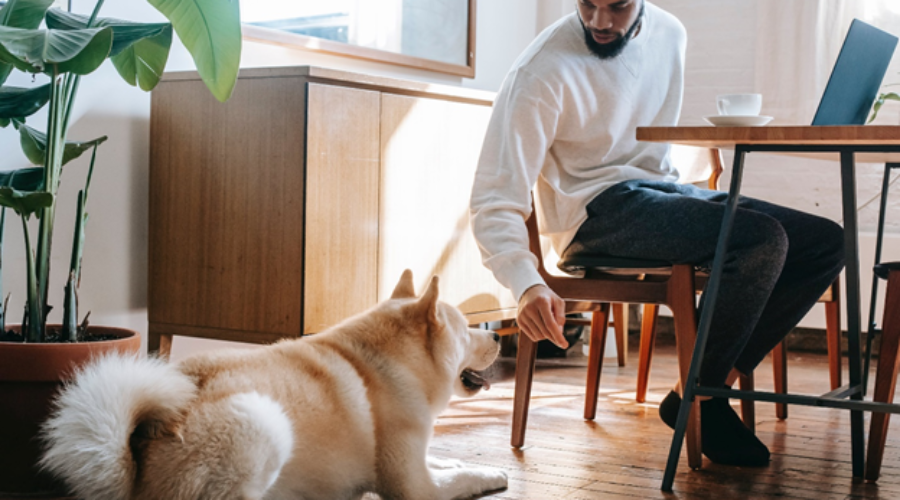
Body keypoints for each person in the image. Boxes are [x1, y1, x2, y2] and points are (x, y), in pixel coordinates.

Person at [469, 0, 844, 467]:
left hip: (660, 192)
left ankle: (699, 391)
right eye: (588, 4)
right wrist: (525, 282)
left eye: (618, 6)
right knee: (759, 240)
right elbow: (494, 196)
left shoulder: (670, 33)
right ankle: (703, 399)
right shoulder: (541, 70)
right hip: (594, 214)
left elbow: (648, 150)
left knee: (825, 241)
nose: (600, 22)